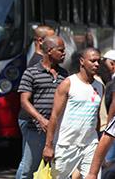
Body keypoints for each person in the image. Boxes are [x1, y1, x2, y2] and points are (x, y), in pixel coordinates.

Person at [43, 47, 103, 178]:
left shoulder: (99, 86)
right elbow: (54, 116)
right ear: (82, 61)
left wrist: (98, 140)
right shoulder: (68, 83)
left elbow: (96, 117)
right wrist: (48, 146)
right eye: (93, 61)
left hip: (90, 145)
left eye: (99, 61)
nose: (97, 64)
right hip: (66, 145)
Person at [15, 36, 67, 179]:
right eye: (61, 50)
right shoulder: (31, 73)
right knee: (28, 168)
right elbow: (24, 102)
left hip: (57, 130)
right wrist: (41, 120)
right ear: (50, 51)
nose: (64, 54)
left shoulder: (64, 74)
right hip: (36, 128)